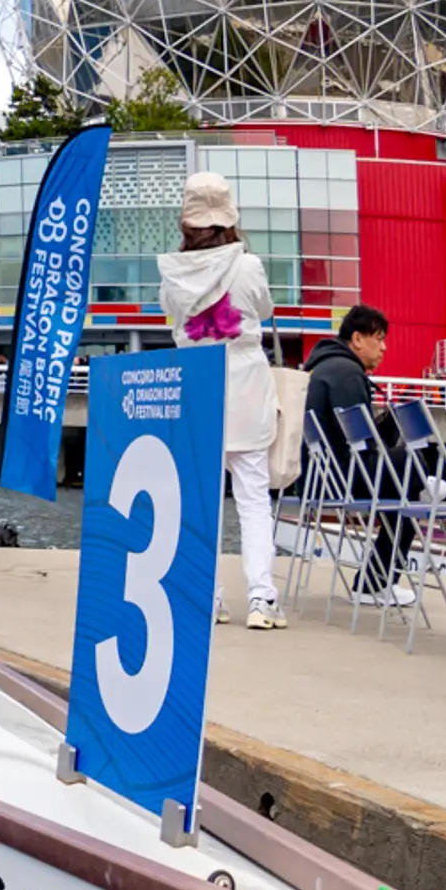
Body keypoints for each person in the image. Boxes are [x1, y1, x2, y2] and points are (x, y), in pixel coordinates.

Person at [158, 171, 290, 629]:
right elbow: (267, 309)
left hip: (197, 390)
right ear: (229, 217)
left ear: (188, 223)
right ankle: (261, 599)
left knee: (201, 502)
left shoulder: (172, 271)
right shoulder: (247, 266)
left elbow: (169, 315)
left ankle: (207, 597)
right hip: (247, 389)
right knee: (253, 500)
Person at [302, 303, 407, 604]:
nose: (384, 348)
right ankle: (373, 585)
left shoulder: (319, 367)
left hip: (315, 476)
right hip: (339, 478)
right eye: (380, 339)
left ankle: (375, 581)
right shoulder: (348, 373)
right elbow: (361, 442)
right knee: (413, 472)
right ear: (358, 339)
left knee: (406, 486)